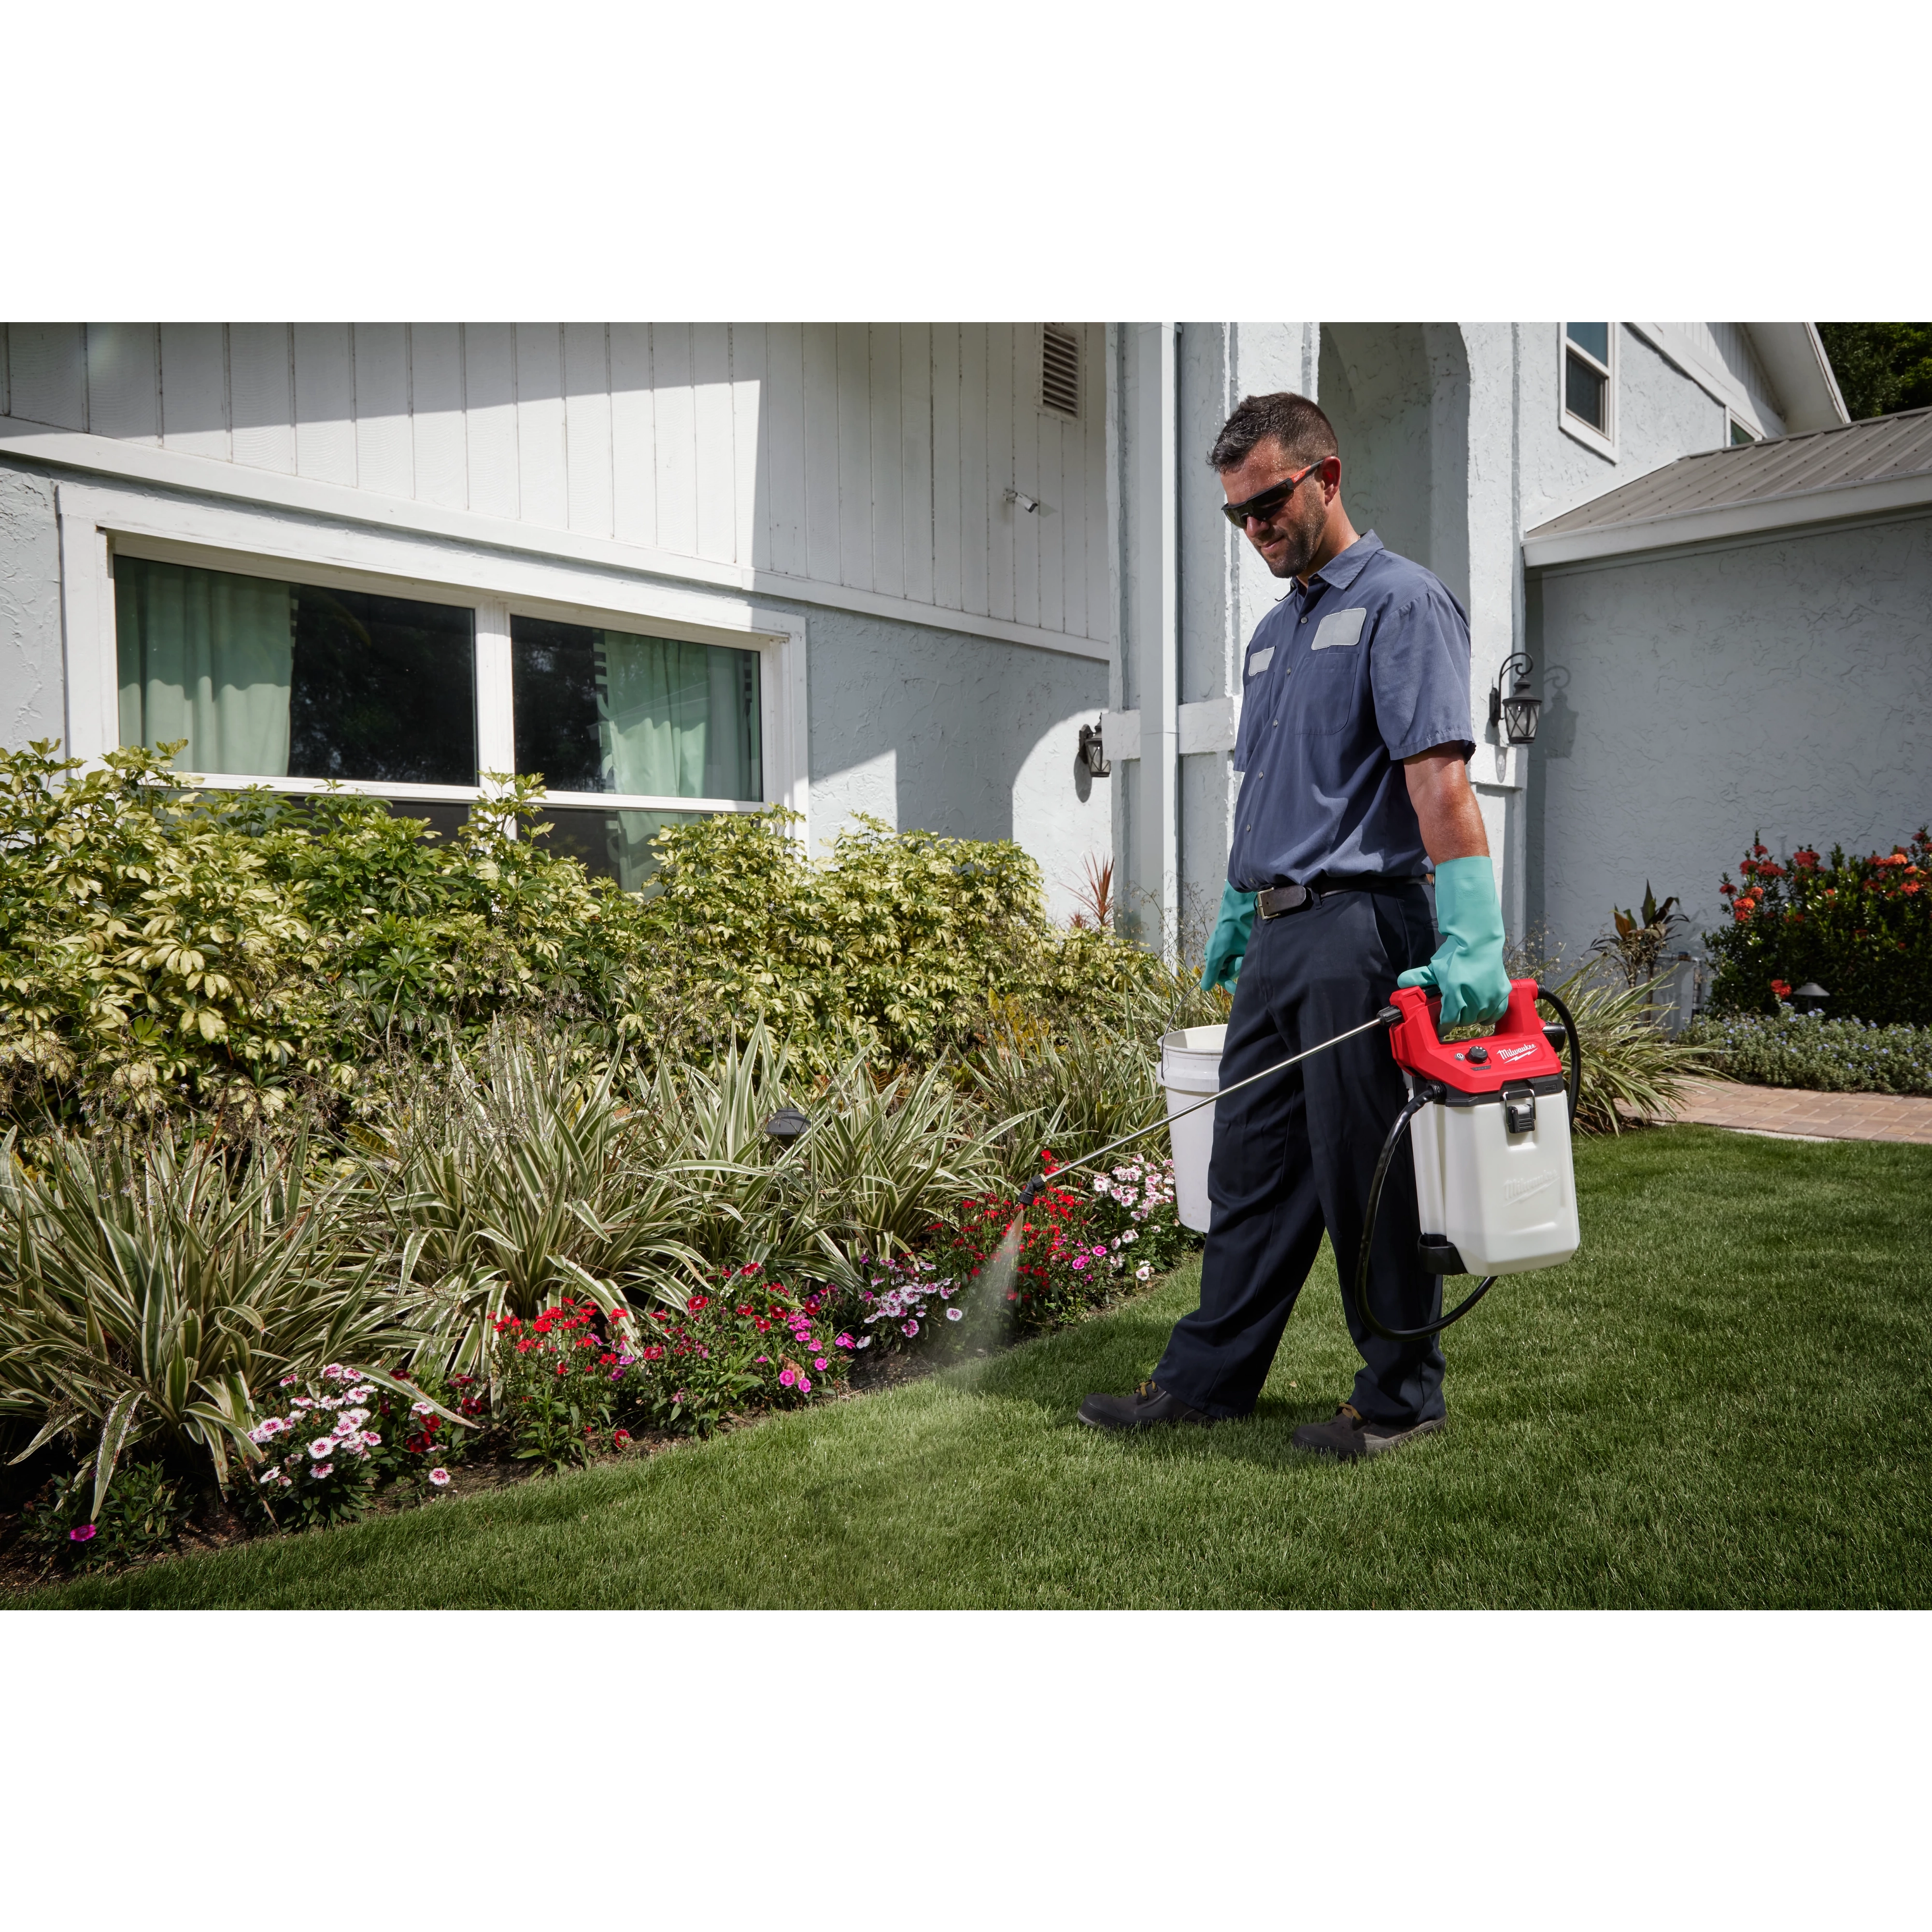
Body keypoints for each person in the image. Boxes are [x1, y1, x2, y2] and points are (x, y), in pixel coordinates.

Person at [1080, 392, 1510, 1459]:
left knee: (1365, 1168)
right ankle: (1204, 1382)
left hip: (1361, 928)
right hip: (1279, 934)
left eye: (1266, 501)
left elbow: (1438, 784)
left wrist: (1470, 935)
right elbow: (1266, 785)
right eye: (1236, 513)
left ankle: (1401, 1394)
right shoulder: (1272, 635)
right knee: (1251, 1170)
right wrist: (1237, 903)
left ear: (1324, 475)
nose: (1254, 527)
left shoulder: (1402, 603)